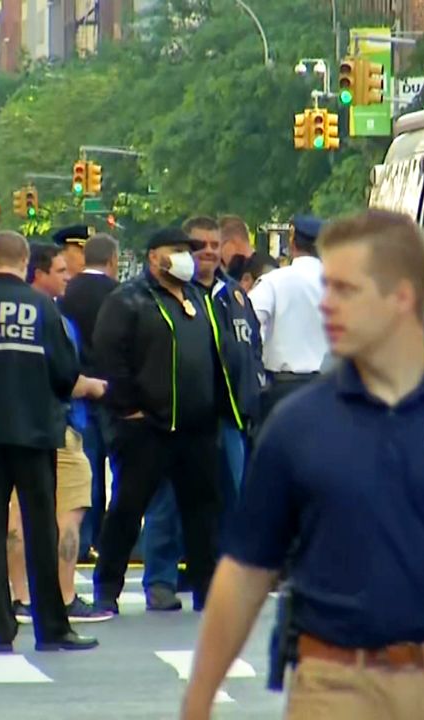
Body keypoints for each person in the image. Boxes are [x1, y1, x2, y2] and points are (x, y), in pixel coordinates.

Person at [181, 210, 424, 720]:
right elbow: (245, 574)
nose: (327, 305)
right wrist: (198, 700)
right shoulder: (297, 425)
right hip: (330, 685)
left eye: (345, 290)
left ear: (401, 299)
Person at [0, 231, 98, 652]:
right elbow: (65, 374)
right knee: (40, 528)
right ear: (26, 262)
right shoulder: (42, 308)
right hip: (33, 433)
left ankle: (0, 627)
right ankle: (51, 627)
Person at [91, 227, 241, 614]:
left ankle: (207, 590)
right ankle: (107, 589)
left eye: (188, 251)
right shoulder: (128, 300)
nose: (186, 258)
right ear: (154, 256)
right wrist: (128, 408)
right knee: (128, 509)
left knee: (202, 512)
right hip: (148, 427)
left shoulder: (197, 298)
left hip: (196, 427)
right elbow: (110, 357)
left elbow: (218, 354)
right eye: (178, 251)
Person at [138, 216, 263, 611]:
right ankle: (160, 578)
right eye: (198, 245)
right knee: (169, 500)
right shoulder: (171, 294)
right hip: (181, 417)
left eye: (214, 244)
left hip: (229, 417)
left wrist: (251, 396)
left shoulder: (236, 296)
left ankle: (221, 578)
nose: (207, 251)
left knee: (231, 498)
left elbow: (250, 348)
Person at [5, 244, 112, 623]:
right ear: (38, 273)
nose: (69, 277)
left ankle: (20, 597)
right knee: (70, 512)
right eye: (61, 270)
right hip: (59, 426)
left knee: (16, 514)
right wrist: (93, 386)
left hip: (11, 427)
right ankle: (65, 596)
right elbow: (64, 377)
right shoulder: (53, 319)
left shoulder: (4, 317)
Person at [60, 233, 120, 562]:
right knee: (122, 473)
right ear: (112, 260)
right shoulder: (120, 294)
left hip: (80, 394)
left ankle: (82, 542)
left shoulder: (66, 294)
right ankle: (113, 539)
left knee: (86, 474)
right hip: (114, 393)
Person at [249, 216, 329, 417]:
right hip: (330, 389)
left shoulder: (273, 282)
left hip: (284, 389)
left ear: (292, 243)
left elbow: (248, 325)